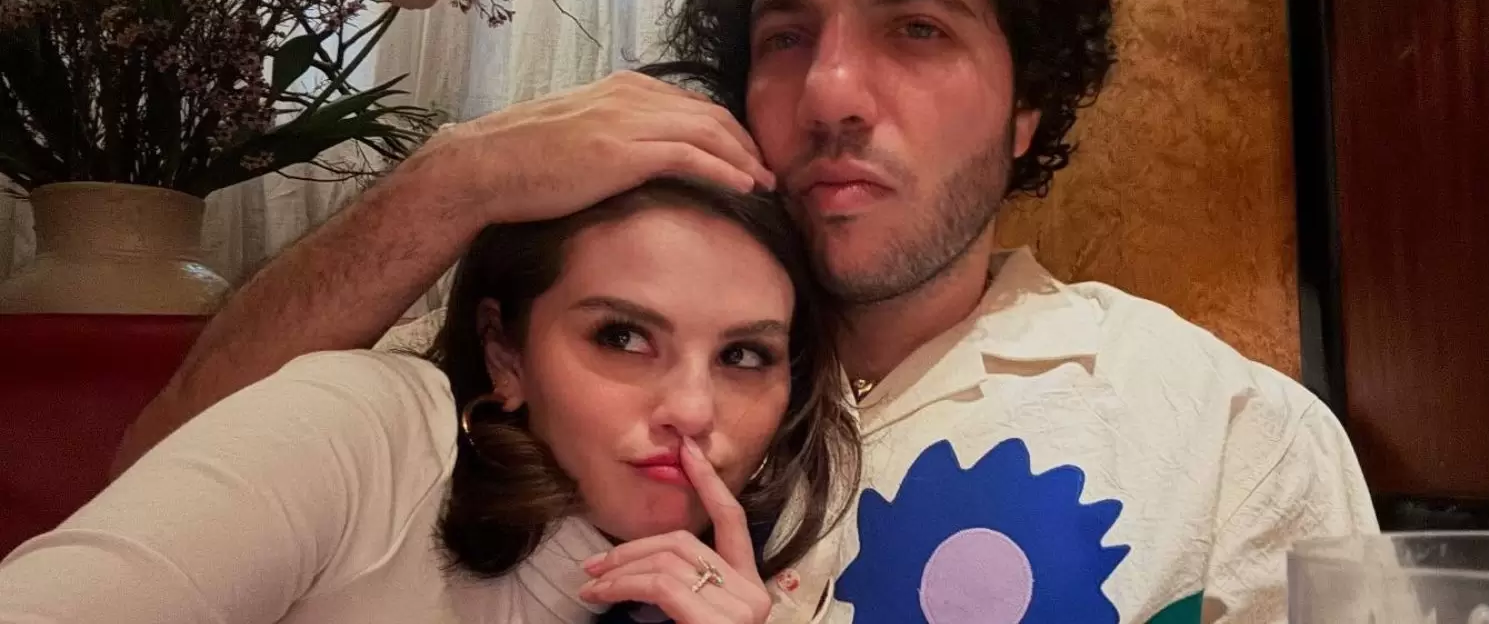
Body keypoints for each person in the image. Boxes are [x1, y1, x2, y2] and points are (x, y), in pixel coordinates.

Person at [114, 0, 1380, 620]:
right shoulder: (551, 351)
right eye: (785, 35)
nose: (829, 91)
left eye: (916, 29)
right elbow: (157, 492)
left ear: (1024, 105)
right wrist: (452, 181)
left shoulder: (1226, 435)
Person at [0, 179, 859, 624]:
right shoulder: (363, 435)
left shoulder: (756, 589)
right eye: (623, 337)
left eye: (744, 355)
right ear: (505, 352)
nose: (693, 410)